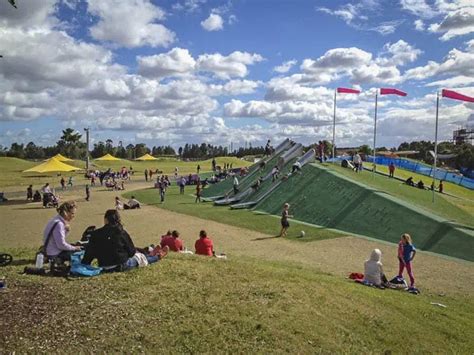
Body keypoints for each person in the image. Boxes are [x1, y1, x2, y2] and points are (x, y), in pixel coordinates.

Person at [82, 209, 166, 271]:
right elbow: (131, 252)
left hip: (104, 265)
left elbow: (89, 253)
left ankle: (151, 252)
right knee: (140, 258)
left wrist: (85, 263)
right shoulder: (120, 232)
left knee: (138, 256)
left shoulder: (95, 234)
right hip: (120, 265)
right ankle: (157, 256)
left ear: (106, 219)